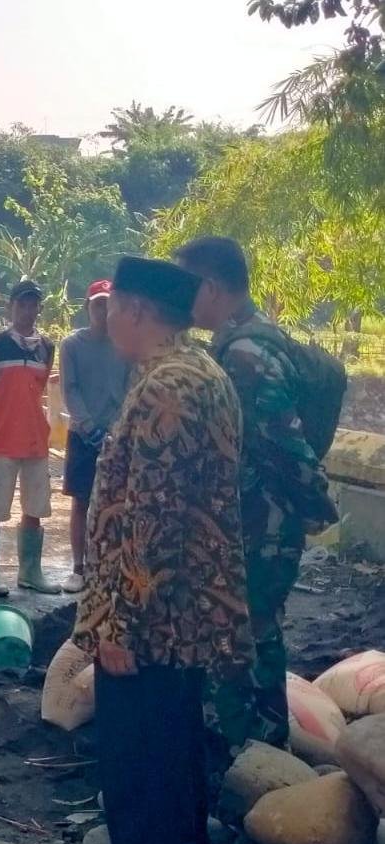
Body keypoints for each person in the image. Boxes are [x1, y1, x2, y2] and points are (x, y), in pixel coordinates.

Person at [71, 256, 251, 844]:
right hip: (179, 618)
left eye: (112, 306)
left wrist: (116, 623)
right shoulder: (196, 370)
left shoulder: (167, 385)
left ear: (136, 310)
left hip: (150, 625)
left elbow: (150, 520)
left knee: (140, 769)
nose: (106, 318)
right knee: (169, 761)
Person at [175, 236, 338, 779]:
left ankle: (252, 754)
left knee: (246, 634)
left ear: (212, 287)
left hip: (259, 523)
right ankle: (256, 753)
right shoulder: (244, 342)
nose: (183, 300)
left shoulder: (246, 353)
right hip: (254, 519)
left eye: (187, 286)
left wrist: (317, 507)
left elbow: (281, 443)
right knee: (248, 631)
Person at [0, 280, 61, 596]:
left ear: (39, 307)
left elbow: (39, 390)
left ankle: (30, 571)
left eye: (33, 304)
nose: (27, 310)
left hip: (36, 439)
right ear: (10, 306)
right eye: (21, 304)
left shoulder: (47, 346)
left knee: (35, 507)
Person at [58, 280, 131, 593]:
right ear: (88, 306)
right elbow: (69, 389)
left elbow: (131, 387)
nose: (103, 310)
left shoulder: (126, 346)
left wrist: (118, 428)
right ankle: (79, 567)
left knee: (118, 502)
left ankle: (111, 565)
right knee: (81, 500)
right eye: (97, 304)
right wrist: (89, 427)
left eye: (108, 303)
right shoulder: (72, 345)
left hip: (119, 435)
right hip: (83, 435)